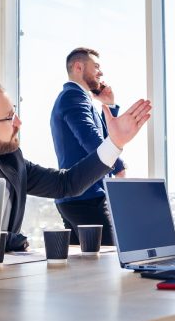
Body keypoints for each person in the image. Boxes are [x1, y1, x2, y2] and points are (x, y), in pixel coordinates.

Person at [0, 81, 151, 251]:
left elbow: (65, 184)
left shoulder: (10, 159)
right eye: (8, 117)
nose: (18, 122)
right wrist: (12, 241)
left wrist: (115, 142)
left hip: (7, 283)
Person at [50, 47, 125, 246]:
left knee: (82, 266)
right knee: (109, 260)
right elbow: (89, 137)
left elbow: (104, 139)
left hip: (79, 197)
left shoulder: (80, 98)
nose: (101, 73)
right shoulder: (73, 96)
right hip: (86, 196)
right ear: (78, 67)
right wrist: (118, 165)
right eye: (96, 67)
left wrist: (109, 106)